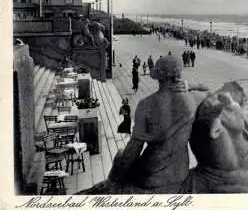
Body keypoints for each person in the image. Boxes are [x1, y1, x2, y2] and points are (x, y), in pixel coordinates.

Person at [80, 56, 208, 194]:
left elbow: (133, 151)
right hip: (179, 172)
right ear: (178, 74)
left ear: (158, 76)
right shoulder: (192, 100)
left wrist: (115, 173)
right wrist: (190, 85)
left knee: (119, 156)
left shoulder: (146, 104)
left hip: (151, 175)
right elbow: (208, 91)